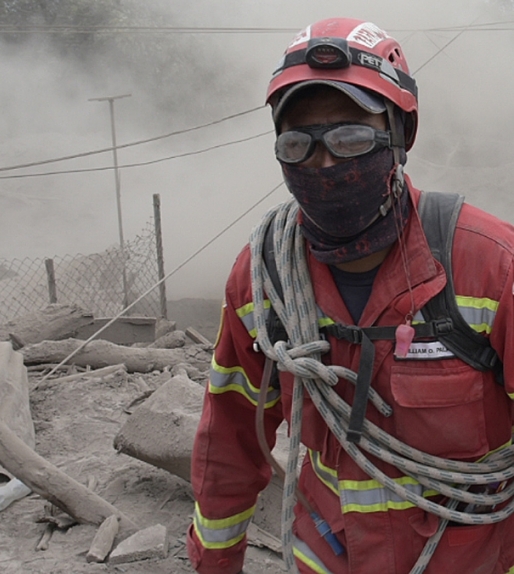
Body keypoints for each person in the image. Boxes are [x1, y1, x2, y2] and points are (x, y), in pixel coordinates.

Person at [187, 17, 514, 574]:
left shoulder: (489, 265)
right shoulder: (262, 278)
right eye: (298, 143)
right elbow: (230, 441)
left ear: (400, 134)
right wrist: (214, 563)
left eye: (351, 137)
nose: (325, 161)